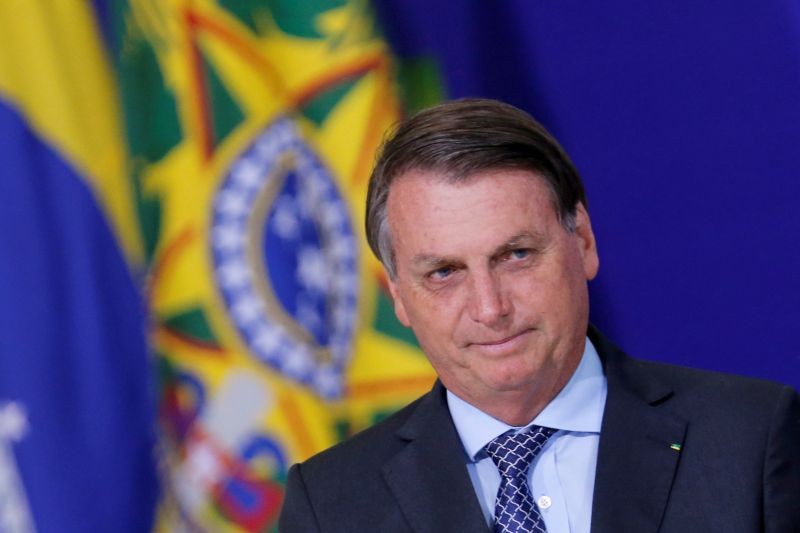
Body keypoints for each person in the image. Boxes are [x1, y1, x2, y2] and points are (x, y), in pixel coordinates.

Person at [278, 98, 800, 532]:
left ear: (585, 242)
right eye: (444, 272)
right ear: (398, 295)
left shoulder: (750, 439)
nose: (490, 308)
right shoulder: (330, 506)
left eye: (516, 255)